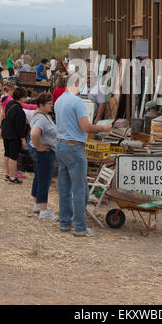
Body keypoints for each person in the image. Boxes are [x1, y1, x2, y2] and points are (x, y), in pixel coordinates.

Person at [55, 73, 112, 236]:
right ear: (77, 84)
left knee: (64, 187)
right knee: (80, 189)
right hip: (74, 146)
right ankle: (80, 227)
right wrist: (103, 128)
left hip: (60, 144)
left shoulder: (59, 100)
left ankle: (65, 222)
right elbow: (85, 127)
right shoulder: (77, 102)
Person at [28, 93, 59, 221]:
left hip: (40, 151)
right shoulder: (41, 118)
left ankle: (37, 204)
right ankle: (44, 211)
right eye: (49, 104)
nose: (51, 106)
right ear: (41, 105)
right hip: (44, 153)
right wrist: (39, 146)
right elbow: (34, 133)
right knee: (44, 181)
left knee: (39, 177)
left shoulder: (43, 115)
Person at [1, 87, 29, 184]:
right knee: (13, 157)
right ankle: (13, 178)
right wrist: (23, 140)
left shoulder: (9, 104)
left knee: (7, 154)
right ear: (21, 98)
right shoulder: (19, 110)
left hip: (6, 132)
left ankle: (8, 174)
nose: (26, 98)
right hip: (14, 135)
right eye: (25, 96)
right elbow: (20, 128)